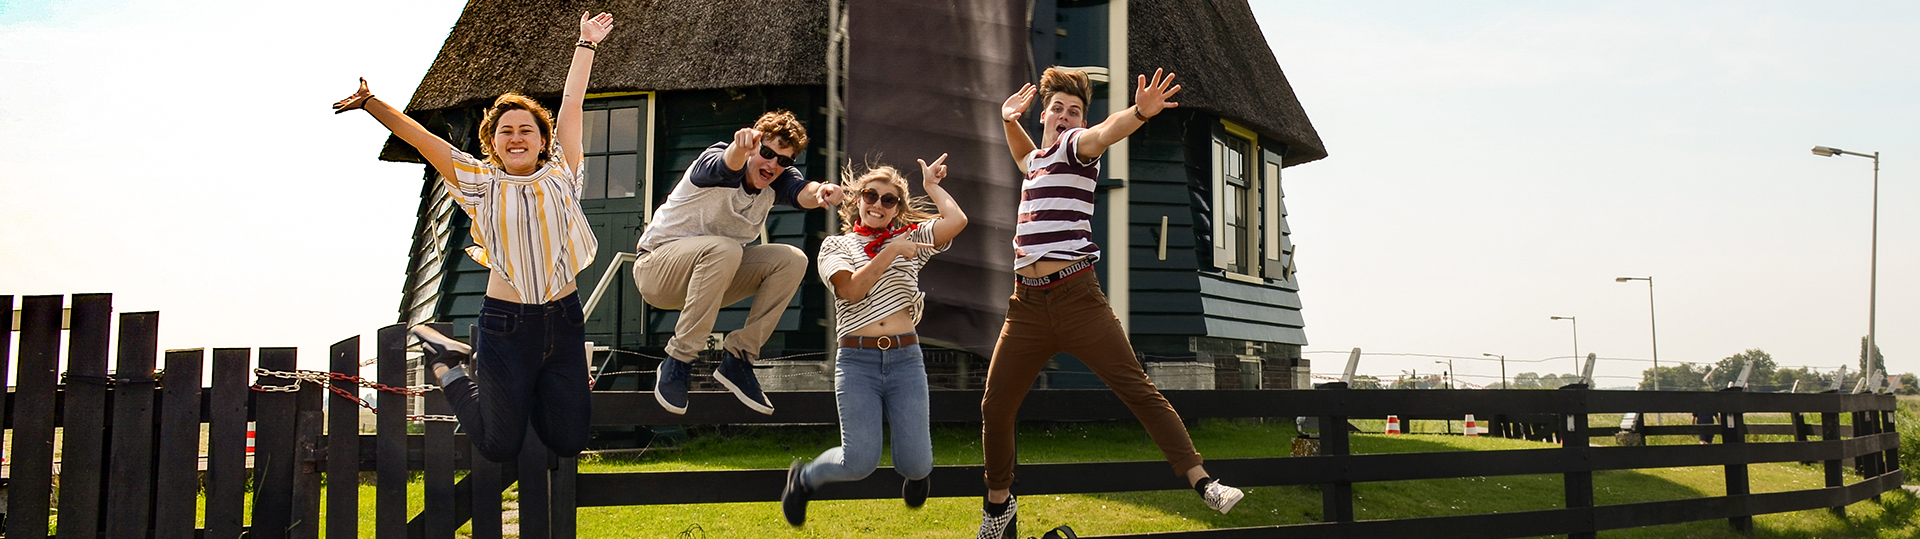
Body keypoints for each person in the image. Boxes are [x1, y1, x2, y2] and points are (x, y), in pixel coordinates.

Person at [332, 12, 615, 462]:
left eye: (527, 130)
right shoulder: (480, 183)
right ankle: (447, 364)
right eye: (507, 131)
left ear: (544, 140)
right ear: (494, 142)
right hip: (507, 323)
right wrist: (373, 104)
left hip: (564, 321)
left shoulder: (564, 172)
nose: (517, 137)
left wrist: (587, 44)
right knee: (498, 445)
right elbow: (425, 140)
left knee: (569, 440)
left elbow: (572, 106)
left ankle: (546, 388)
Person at [974, 67, 1243, 538]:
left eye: (1073, 110)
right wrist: (1006, 120)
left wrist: (1139, 112)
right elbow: (1022, 156)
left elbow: (1105, 132)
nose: (1064, 114)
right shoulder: (1038, 159)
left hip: (1079, 298)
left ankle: (1203, 482)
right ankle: (998, 506)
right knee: (996, 406)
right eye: (1056, 107)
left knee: (1136, 388)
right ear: (1044, 115)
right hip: (1027, 306)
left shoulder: (1077, 148)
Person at [781, 156, 968, 526]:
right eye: (871, 195)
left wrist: (931, 186)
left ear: (897, 209)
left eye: (889, 200)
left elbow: (957, 222)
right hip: (857, 363)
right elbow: (850, 290)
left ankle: (917, 475)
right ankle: (804, 479)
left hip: (906, 359)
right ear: (858, 200)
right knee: (859, 462)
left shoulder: (909, 237)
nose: (878, 204)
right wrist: (891, 251)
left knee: (916, 463)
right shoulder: (835, 246)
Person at [635, 111, 846, 415]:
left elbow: (803, 192)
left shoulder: (778, 180)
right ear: (754, 146)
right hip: (657, 270)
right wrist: (740, 147)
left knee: (791, 259)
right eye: (767, 153)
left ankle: (740, 359)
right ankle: (678, 360)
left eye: (783, 160)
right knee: (726, 250)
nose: (772, 164)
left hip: (711, 277)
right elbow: (729, 163)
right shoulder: (715, 161)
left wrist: (822, 191)